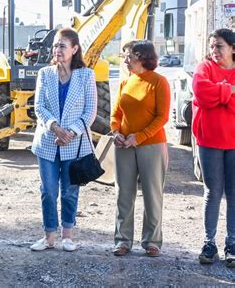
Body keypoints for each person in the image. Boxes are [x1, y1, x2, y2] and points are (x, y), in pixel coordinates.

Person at [30, 28, 97, 252]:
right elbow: (39, 106)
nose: (57, 49)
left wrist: (70, 133)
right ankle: (49, 236)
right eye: (56, 45)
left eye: (62, 45)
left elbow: (90, 111)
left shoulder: (86, 75)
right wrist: (55, 128)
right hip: (48, 141)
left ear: (75, 49)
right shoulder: (45, 74)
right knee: (48, 191)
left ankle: (67, 235)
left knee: (69, 190)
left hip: (74, 143)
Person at [111, 40, 170, 257]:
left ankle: (152, 242)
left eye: (128, 56)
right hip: (123, 145)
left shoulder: (159, 82)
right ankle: (122, 240)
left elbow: (162, 117)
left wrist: (140, 136)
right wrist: (116, 132)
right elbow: (116, 114)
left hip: (152, 146)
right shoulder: (125, 82)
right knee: (123, 194)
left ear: (141, 57)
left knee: (152, 194)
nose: (125, 60)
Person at [192, 28, 235, 267]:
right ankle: (209, 243)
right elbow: (200, 92)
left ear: (232, 48)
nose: (214, 50)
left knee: (234, 195)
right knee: (212, 193)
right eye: (212, 46)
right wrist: (228, 92)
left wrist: (219, 96)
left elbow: (210, 97)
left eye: (219, 46)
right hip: (209, 141)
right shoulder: (204, 68)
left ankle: (232, 243)